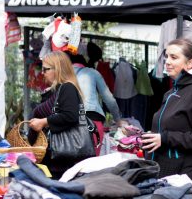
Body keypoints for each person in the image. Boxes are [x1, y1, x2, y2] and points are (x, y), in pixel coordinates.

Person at [142, 38, 192, 186]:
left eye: (174, 57)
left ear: (190, 63)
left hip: (187, 179)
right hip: (166, 175)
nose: (167, 62)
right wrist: (152, 138)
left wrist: (164, 138)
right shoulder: (172, 92)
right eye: (167, 57)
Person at [28, 51, 88, 179]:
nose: (42, 73)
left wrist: (43, 122)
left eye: (46, 69)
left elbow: (70, 116)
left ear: (58, 69)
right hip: (52, 156)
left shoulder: (67, 88)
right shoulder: (56, 90)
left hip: (60, 158)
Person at [69, 53, 122, 155]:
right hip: (93, 119)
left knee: (73, 160)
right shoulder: (92, 72)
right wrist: (118, 120)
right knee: (92, 160)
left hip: (71, 120)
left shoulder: (63, 75)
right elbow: (109, 99)